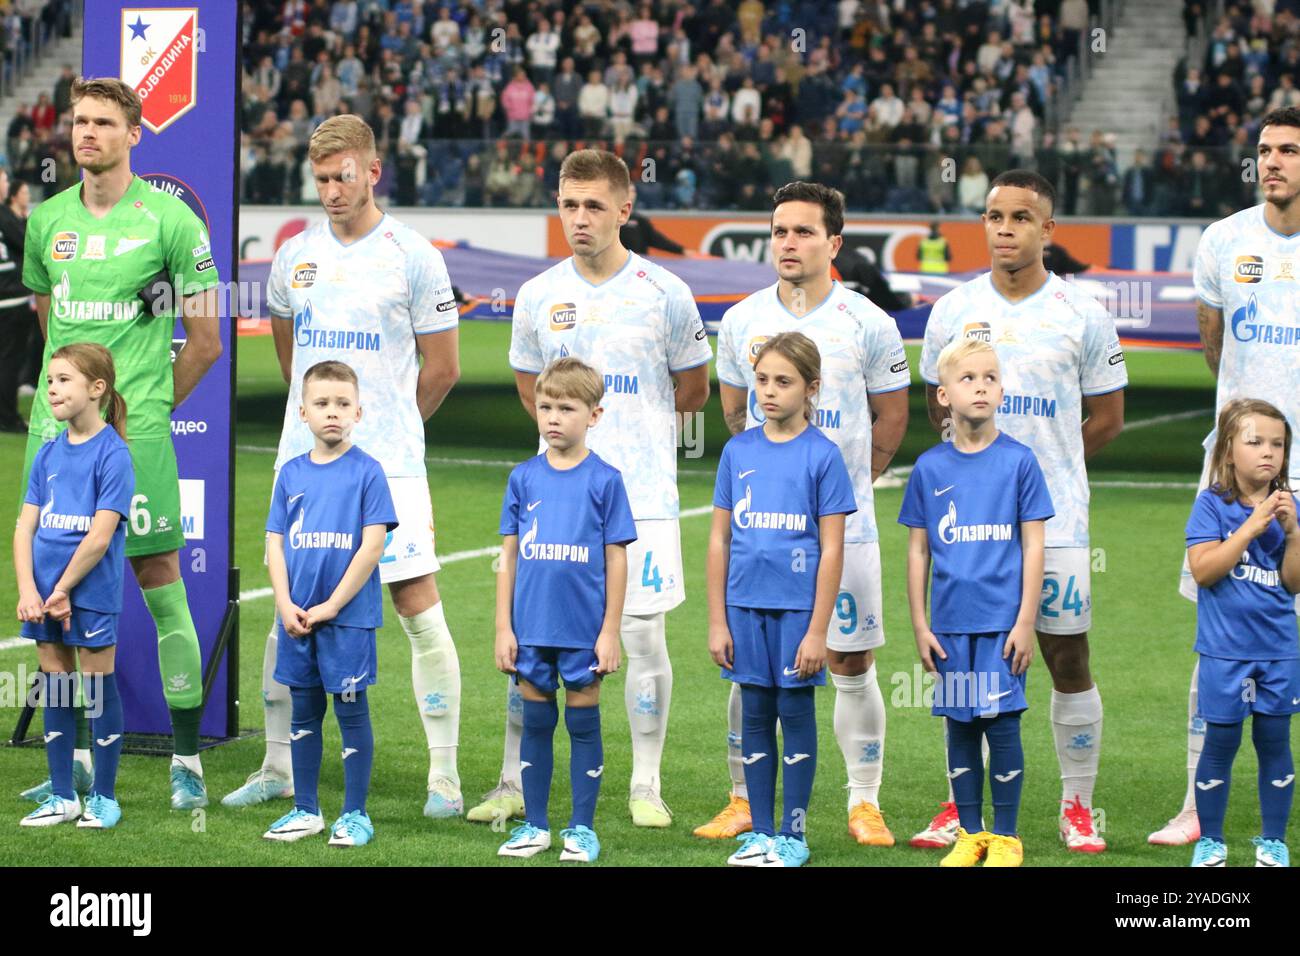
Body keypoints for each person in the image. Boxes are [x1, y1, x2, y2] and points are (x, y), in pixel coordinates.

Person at [223, 114, 463, 820]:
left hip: (389, 467)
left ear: (373, 170)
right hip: (303, 464)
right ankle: (274, 766)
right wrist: (318, 434)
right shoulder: (295, 255)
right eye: (321, 178)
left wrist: (386, 432)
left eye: (343, 176)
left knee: (417, 606)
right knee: (287, 612)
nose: (331, 190)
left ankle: (443, 776)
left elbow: (443, 367)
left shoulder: (413, 255)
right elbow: (291, 352)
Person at [471, 149, 711, 828]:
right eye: (569, 204)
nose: (579, 218)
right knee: (531, 641)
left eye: (594, 206)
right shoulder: (540, 294)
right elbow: (531, 388)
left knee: (641, 636)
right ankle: (514, 782)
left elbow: (693, 391)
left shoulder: (665, 293)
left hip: (642, 498)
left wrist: (633, 445)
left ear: (625, 210)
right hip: (554, 499)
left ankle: (646, 784)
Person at [18, 78, 222, 810]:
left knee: (161, 584)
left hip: (135, 446)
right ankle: (72, 766)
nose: (87, 133)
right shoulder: (47, 222)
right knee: (51, 603)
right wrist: (70, 410)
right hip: (53, 444)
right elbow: (51, 326)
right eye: (79, 121)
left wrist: (149, 409)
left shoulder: (170, 222)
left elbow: (205, 340)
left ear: (135, 133)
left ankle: (188, 760)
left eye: (104, 122)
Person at [917, 169, 1126, 853]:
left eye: (1020, 217)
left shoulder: (1083, 312)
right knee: (969, 667)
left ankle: (1078, 804)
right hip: (967, 533)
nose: (1004, 229)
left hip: (1056, 526)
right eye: (993, 216)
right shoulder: (954, 311)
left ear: (1048, 229)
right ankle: (962, 809)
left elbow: (1107, 417)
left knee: (1066, 658)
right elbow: (934, 406)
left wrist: (1045, 477)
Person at [702, 181, 908, 847]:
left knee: (849, 662)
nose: (788, 243)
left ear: (834, 243)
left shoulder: (869, 323)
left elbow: (892, 419)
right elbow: (734, 415)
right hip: (761, 539)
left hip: (843, 533)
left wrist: (834, 499)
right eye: (780, 231)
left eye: (803, 232)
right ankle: (742, 798)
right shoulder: (740, 320)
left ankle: (864, 801)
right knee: (752, 665)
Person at [1151, 106, 1300, 847]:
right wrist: (1247, 445)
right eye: (1266, 150)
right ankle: (1193, 804)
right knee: (1217, 639)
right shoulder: (1223, 241)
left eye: (1289, 151)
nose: (1272, 162)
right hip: (1234, 472)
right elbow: (1217, 349)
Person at [899, 338, 1053, 867]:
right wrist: (921, 624)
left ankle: (1006, 836)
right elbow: (919, 549)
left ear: (1002, 391)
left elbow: (1034, 543)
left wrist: (1026, 620)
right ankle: (970, 833)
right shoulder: (929, 468)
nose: (981, 386)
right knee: (960, 724)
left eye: (990, 378)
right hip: (950, 625)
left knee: (1002, 724)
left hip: (1001, 623)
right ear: (944, 395)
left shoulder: (1019, 462)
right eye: (968, 379)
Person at [709, 332, 855, 868]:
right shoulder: (738, 450)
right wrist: (717, 619)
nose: (768, 392)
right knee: (753, 715)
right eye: (762, 380)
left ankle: (793, 835)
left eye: (783, 382)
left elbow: (832, 548)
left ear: (811, 388)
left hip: (797, 614)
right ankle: (760, 832)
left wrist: (818, 631)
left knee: (794, 713)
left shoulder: (823, 456)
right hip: (744, 610)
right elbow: (720, 538)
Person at [493, 357, 635, 862]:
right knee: (534, 724)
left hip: (582, 630)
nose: (553, 417)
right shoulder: (523, 478)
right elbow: (507, 557)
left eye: (567, 408)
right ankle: (535, 825)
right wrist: (503, 627)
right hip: (531, 628)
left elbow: (616, 560)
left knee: (582, 724)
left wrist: (610, 632)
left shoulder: (606, 480)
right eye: (545, 406)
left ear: (594, 415)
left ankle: (581, 828)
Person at [261, 361, 396, 848]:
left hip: (348, 620)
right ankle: (305, 810)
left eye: (342, 404)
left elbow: (372, 547)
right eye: (322, 404)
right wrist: (285, 603)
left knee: (351, 710)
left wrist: (332, 606)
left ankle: (355, 814)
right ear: (303, 412)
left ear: (358, 411)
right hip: (297, 618)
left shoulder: (368, 472)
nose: (332, 413)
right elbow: (275, 542)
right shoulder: (291, 474)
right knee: (303, 711)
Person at [16, 343, 132, 828]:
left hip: (88, 592)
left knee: (98, 687)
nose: (52, 389)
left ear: (96, 389)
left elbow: (100, 535)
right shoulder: (47, 453)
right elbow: (25, 527)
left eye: (64, 379)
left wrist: (64, 588)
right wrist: (29, 589)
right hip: (45, 595)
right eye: (49, 380)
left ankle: (104, 797)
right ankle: (63, 795)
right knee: (57, 686)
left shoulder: (114, 454)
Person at [1183, 399, 1297, 868]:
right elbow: (1205, 570)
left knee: (1275, 743)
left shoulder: (1291, 508)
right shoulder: (1211, 505)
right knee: (1220, 743)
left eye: (1278, 444)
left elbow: (1294, 583)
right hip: (1225, 654)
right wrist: (1251, 527)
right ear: (1229, 451)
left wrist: (1293, 536)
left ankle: (1272, 841)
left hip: (1279, 652)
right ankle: (1211, 841)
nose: (1268, 453)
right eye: (1255, 442)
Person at [0, 168, 33, 432]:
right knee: (10, 361)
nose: (6, 184)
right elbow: (27, 246)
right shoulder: (5, 216)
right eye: (5, 180)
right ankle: (7, 417)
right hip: (10, 300)